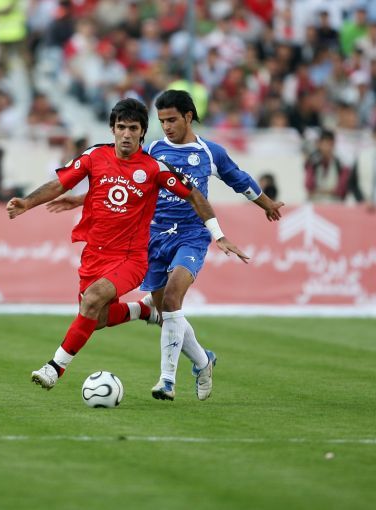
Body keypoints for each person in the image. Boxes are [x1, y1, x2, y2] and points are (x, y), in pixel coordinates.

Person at [47, 90, 284, 401]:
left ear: (188, 116)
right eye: (162, 121)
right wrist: (80, 199)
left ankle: (167, 380)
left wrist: (266, 205)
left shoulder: (209, 152)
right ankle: (203, 360)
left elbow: (238, 179)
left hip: (191, 235)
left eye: (172, 120)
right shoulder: (153, 150)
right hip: (154, 236)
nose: (167, 126)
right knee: (164, 308)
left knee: (173, 298)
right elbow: (121, 181)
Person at [7, 98, 249, 392]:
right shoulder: (94, 156)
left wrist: (218, 235)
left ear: (142, 132)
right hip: (94, 254)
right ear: (112, 129)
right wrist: (27, 203)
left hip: (131, 258)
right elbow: (60, 184)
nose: (126, 134)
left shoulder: (154, 168)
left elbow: (194, 195)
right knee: (96, 317)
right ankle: (144, 311)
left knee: (93, 298)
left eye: (133, 128)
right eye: (121, 127)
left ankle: (54, 368)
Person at [304, 129, 349, 203]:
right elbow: (309, 186)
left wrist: (319, 191)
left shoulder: (341, 164)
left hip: (334, 202)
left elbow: (340, 190)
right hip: (316, 202)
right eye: (324, 144)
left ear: (333, 144)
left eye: (329, 144)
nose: (327, 148)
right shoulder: (312, 163)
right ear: (318, 144)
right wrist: (329, 191)